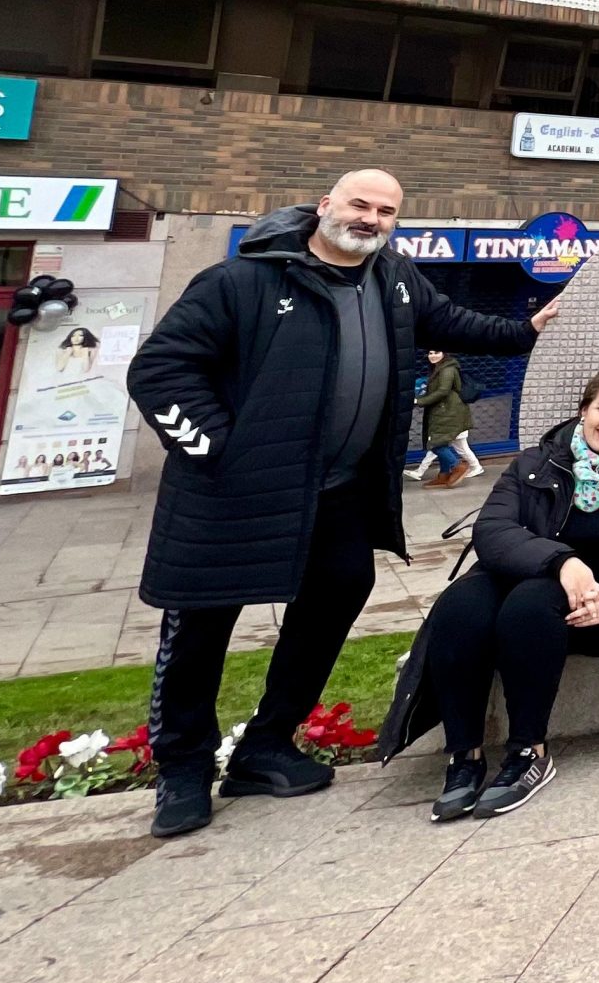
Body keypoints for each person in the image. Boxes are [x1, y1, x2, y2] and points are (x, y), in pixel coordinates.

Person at [127, 169, 553, 839]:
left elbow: (455, 323)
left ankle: (266, 746)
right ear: (325, 206)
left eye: (387, 210)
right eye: (360, 204)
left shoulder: (396, 281)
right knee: (201, 630)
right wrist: (222, 453)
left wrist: (530, 326)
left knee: (339, 594)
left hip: (337, 497)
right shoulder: (244, 281)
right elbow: (159, 371)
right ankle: (181, 771)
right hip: (230, 499)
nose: (371, 218)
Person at [378, 365, 599, 820]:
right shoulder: (536, 461)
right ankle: (464, 756)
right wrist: (563, 562)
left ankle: (529, 752)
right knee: (459, 608)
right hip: (524, 572)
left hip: (598, 601)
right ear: (584, 409)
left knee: (527, 609)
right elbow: (493, 528)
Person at [410, 349, 481, 488]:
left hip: (449, 411)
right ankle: (444, 475)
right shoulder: (439, 368)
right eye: (430, 353)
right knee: (441, 443)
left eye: (437, 352)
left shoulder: (447, 369)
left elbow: (443, 391)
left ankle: (457, 467)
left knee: (435, 444)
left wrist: (419, 401)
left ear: (444, 354)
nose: (433, 356)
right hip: (443, 411)